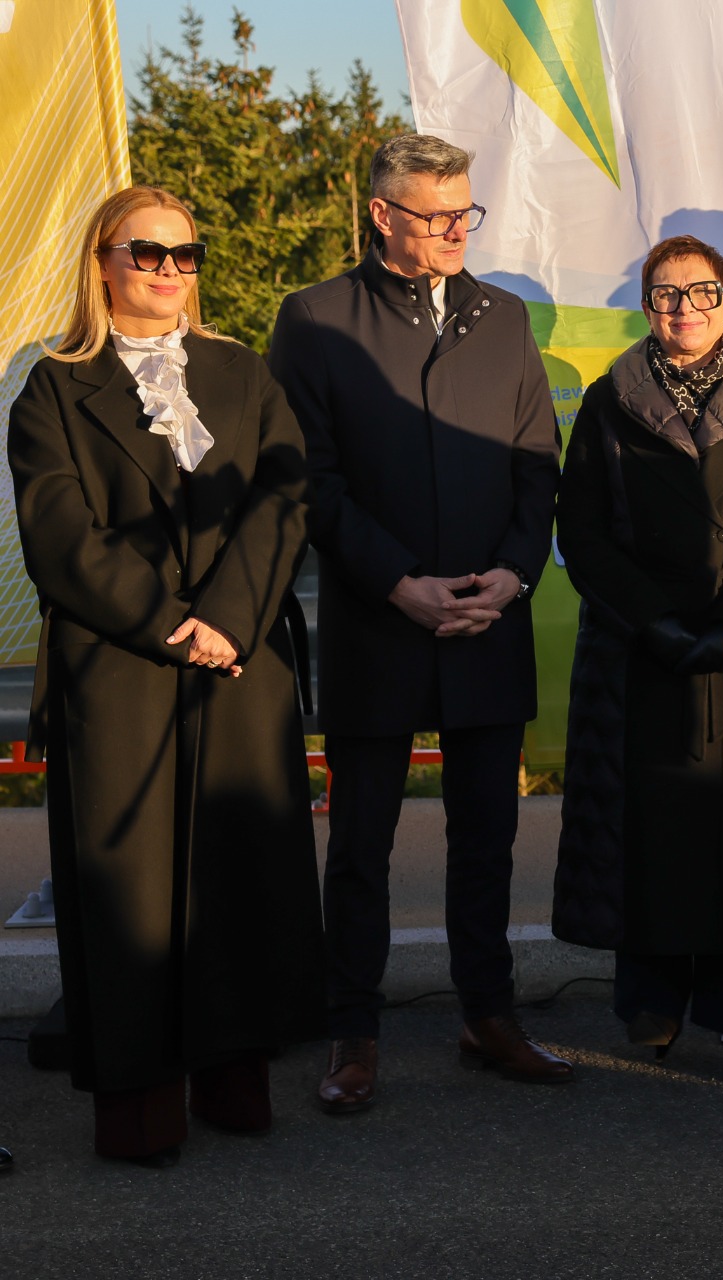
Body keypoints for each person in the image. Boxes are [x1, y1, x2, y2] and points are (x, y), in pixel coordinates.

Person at [9, 184, 324, 1165]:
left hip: (238, 660)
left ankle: (234, 1082)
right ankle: (141, 1107)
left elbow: (284, 494)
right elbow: (60, 535)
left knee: (240, 874)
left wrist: (227, 617)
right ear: (102, 261)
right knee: (131, 895)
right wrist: (170, 625)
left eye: (186, 254)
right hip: (120, 665)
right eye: (147, 252)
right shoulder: (53, 387)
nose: (169, 270)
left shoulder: (243, 371)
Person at [269, 133, 569, 1112]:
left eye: (464, 212)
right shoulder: (316, 319)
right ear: (381, 214)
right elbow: (309, 478)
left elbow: (536, 463)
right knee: (361, 842)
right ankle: (352, 1031)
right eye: (435, 215)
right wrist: (398, 582)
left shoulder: (503, 317)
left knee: (487, 837)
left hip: (488, 618)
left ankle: (489, 1015)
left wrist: (513, 576)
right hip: (378, 623)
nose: (455, 230)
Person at [550, 234, 723, 1086]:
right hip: (641, 649)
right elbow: (581, 530)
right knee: (650, 831)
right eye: (666, 295)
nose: (685, 309)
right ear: (647, 308)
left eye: (702, 292)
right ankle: (654, 1004)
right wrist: (655, 622)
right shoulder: (609, 401)